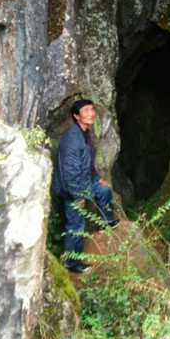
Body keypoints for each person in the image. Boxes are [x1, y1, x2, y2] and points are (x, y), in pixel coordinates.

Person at [52, 98, 119, 273]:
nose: (91, 113)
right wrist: (78, 195)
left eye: (92, 109)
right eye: (86, 110)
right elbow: (71, 171)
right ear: (76, 116)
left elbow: (86, 163)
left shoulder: (84, 133)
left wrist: (97, 178)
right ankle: (71, 262)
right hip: (71, 187)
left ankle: (105, 221)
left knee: (104, 190)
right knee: (76, 224)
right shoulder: (73, 139)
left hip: (83, 180)